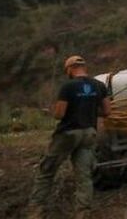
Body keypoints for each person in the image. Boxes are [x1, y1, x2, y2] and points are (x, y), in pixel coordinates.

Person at [28, 55, 111, 219]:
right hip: (88, 133)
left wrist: (51, 111)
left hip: (68, 134)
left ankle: (36, 211)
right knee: (84, 176)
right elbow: (107, 112)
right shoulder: (99, 85)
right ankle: (83, 213)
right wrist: (90, 110)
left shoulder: (68, 86)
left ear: (70, 69)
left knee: (46, 171)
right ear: (84, 67)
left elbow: (60, 114)